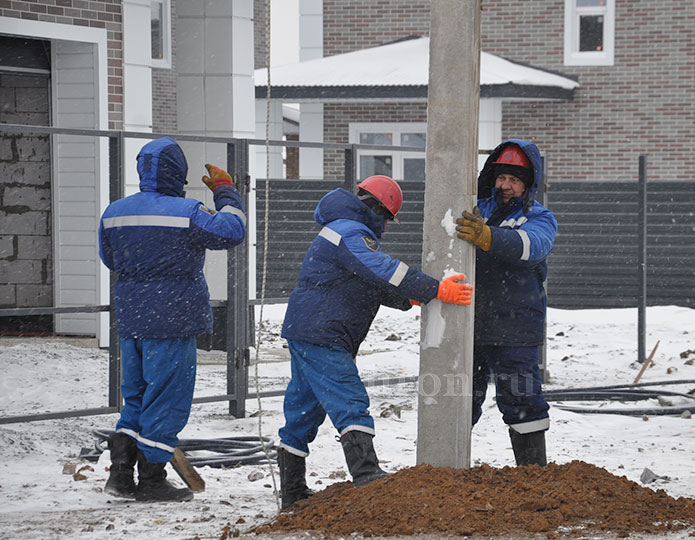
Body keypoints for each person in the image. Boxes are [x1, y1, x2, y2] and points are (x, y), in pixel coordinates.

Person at [277, 175, 473, 509]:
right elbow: (383, 270)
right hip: (324, 334)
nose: (384, 227)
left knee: (302, 412)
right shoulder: (350, 232)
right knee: (348, 398)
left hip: (307, 330)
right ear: (377, 209)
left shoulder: (341, 228)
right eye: (385, 219)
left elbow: (366, 283)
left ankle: (293, 491)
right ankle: (366, 474)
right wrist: (435, 289)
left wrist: (408, 299)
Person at [98, 137, 246, 502]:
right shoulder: (186, 211)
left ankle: (119, 477)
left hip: (132, 317)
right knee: (166, 399)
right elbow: (233, 231)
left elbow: (110, 259)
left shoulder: (115, 211)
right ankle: (151, 480)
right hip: (172, 317)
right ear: (177, 173)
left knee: (135, 397)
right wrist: (226, 191)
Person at [454, 139, 557, 467]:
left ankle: (533, 478)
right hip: (471, 325)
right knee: (458, 401)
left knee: (523, 401)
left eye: (514, 180)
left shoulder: (539, 217)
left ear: (527, 185)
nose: (506, 185)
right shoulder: (477, 209)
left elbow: (531, 247)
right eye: (501, 178)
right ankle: (445, 476)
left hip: (516, 328)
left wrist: (489, 237)